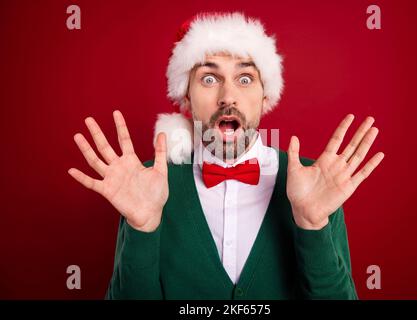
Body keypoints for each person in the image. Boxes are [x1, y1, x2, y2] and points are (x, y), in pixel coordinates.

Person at [68, 12, 384, 299]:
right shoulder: (146, 183)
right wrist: (142, 228)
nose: (227, 97)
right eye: (209, 78)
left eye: (245, 79)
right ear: (186, 97)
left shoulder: (316, 184)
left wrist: (312, 224)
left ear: (265, 96)